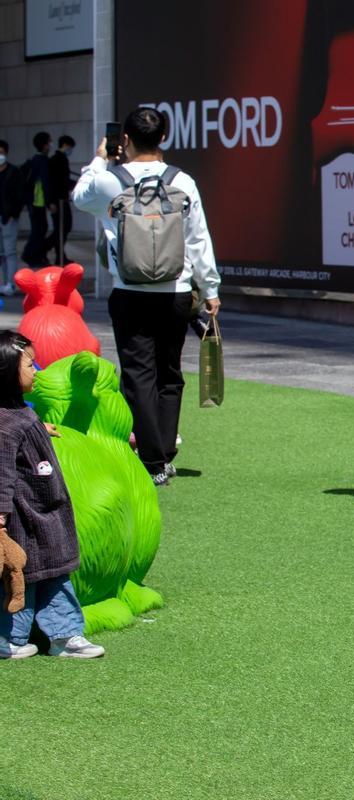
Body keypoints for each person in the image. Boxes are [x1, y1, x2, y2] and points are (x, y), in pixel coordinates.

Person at [71, 108, 221, 486]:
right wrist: (211, 289)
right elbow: (198, 238)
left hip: (130, 291)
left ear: (124, 139)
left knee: (138, 375)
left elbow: (78, 196)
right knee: (169, 373)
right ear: (164, 139)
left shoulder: (109, 181)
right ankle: (165, 453)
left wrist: (99, 157)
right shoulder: (182, 181)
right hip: (176, 291)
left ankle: (153, 461)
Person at [0, 331, 105, 660]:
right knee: (23, 578)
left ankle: (65, 635)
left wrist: (38, 427)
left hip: (45, 513)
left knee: (55, 570)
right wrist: (1, 515)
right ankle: (12, 639)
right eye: (30, 365)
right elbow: (2, 472)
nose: (38, 370)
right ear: (6, 373)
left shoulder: (19, 414)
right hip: (24, 516)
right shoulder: (6, 425)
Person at [19, 132, 52, 269]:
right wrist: (50, 202)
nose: (50, 145)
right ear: (44, 145)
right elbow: (45, 182)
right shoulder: (43, 160)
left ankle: (34, 254)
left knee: (38, 229)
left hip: (33, 201)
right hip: (38, 201)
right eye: (49, 142)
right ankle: (31, 254)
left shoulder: (34, 160)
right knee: (39, 229)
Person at [47, 135, 75, 266]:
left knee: (63, 228)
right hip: (59, 200)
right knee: (62, 228)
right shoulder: (58, 159)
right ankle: (45, 249)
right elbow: (55, 182)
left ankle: (60, 255)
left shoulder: (59, 159)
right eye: (69, 147)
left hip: (61, 199)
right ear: (64, 145)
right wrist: (51, 201)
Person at [0, 140, 21, 295]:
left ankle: (11, 284)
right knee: (1, 253)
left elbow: (19, 195)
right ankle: (4, 282)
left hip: (9, 217)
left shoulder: (13, 172)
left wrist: (14, 213)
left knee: (10, 251)